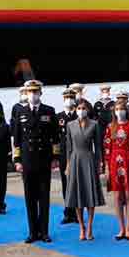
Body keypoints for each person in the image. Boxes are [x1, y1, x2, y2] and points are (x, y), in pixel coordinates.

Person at [12, 79, 59, 244]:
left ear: (40, 93)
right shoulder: (20, 112)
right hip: (27, 162)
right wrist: (17, 160)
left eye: (35, 92)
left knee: (44, 198)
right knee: (30, 198)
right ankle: (33, 232)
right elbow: (17, 140)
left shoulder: (49, 111)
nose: (32, 95)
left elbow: (56, 138)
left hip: (44, 161)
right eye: (30, 92)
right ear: (26, 94)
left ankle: (44, 232)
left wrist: (55, 158)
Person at [64, 98, 106, 240]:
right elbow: (69, 147)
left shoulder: (94, 124)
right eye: (78, 108)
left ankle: (90, 226)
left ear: (87, 109)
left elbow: (98, 146)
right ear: (75, 110)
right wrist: (68, 165)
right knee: (77, 195)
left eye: (83, 108)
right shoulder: (70, 125)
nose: (81, 111)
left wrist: (100, 163)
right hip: (75, 160)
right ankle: (81, 227)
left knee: (90, 194)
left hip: (89, 159)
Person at [104, 97, 129, 241]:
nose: (120, 112)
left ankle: (128, 228)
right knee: (117, 196)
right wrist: (107, 167)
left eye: (122, 109)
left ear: (127, 110)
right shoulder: (110, 127)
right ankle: (120, 228)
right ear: (114, 111)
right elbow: (107, 148)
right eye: (117, 109)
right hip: (114, 162)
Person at [56, 88, 79, 224]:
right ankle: (68, 212)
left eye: (71, 97)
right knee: (66, 184)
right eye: (66, 98)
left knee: (76, 184)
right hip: (64, 155)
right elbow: (55, 139)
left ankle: (77, 213)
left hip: (77, 154)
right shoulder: (58, 117)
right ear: (63, 100)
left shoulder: (78, 116)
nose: (69, 100)